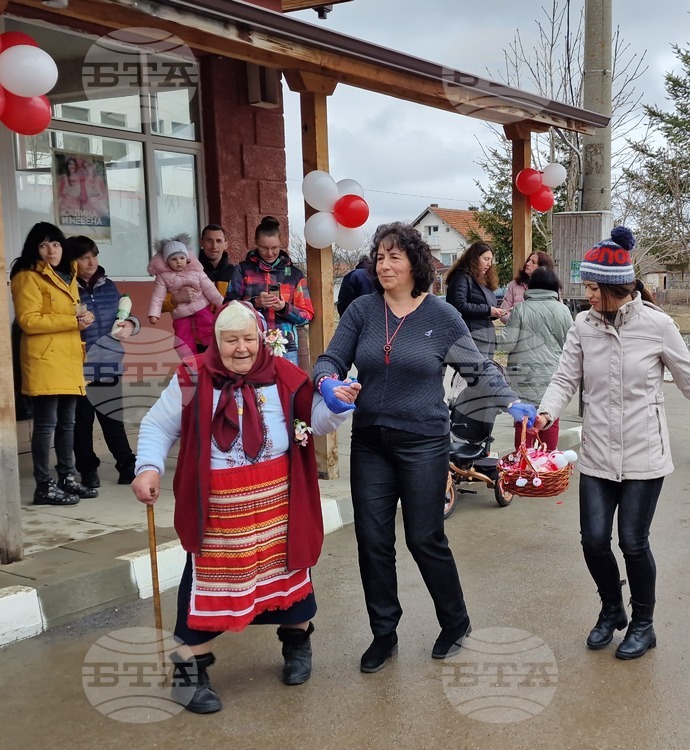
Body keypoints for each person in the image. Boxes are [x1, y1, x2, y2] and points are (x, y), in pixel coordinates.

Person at [314, 222, 536, 674]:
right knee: (373, 541)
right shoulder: (361, 311)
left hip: (423, 443)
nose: (384, 264)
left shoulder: (442, 316)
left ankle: (455, 624)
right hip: (372, 441)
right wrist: (328, 382)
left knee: (424, 538)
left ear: (414, 263)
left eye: (394, 257)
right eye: (380, 257)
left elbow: (478, 368)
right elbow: (330, 358)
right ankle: (384, 633)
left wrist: (511, 400)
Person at [131, 301, 360, 714]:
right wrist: (147, 468)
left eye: (248, 339)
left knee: (290, 575)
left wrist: (338, 405)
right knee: (204, 589)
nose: (240, 348)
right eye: (230, 339)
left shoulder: (286, 377)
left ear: (261, 338)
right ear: (216, 342)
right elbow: (157, 424)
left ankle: (297, 649)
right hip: (217, 508)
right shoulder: (192, 376)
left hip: (278, 503)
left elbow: (318, 420)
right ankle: (188, 675)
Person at [533, 226, 690, 660]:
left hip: (644, 454)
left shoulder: (657, 325)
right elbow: (564, 377)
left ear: (614, 287)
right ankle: (612, 610)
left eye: (592, 287)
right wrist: (546, 411)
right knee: (593, 540)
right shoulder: (582, 326)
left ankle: (644, 624)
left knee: (632, 541)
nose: (586, 295)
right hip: (596, 454)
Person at [10, 222, 98, 505]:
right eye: (44, 245)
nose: (51, 250)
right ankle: (44, 485)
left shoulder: (66, 275)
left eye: (56, 244)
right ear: (34, 249)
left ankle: (66, 479)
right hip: (44, 359)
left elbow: (67, 314)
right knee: (47, 424)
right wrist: (71, 321)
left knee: (67, 424)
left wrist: (83, 318)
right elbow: (29, 320)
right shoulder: (27, 276)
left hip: (69, 357)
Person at [65, 236, 140, 488]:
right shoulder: (66, 287)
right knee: (82, 422)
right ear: (72, 260)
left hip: (109, 362)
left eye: (94, 256)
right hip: (79, 366)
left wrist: (131, 324)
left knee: (112, 419)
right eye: (84, 257)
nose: (91, 262)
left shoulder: (108, 286)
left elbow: (127, 314)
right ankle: (87, 469)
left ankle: (126, 465)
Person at [498, 267, 572, 450]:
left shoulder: (521, 310)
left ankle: (522, 470)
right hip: (552, 377)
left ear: (531, 286)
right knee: (550, 420)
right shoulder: (563, 311)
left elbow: (507, 344)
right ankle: (548, 468)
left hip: (523, 377)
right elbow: (570, 346)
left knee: (523, 422)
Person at [226, 216, 314, 366]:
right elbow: (227, 308)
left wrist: (284, 308)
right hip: (250, 344)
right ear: (256, 243)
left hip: (285, 347)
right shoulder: (243, 270)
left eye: (274, 248)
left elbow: (307, 316)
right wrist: (254, 303)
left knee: (287, 388)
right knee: (254, 389)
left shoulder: (294, 274)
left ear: (281, 243)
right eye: (264, 248)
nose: (270, 253)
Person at [147, 235, 224, 357]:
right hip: (180, 312)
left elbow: (210, 290)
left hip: (201, 306)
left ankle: (212, 351)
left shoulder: (196, 271)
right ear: (166, 262)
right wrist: (154, 313)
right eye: (174, 259)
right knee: (182, 338)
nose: (179, 262)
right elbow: (157, 297)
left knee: (209, 326)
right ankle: (189, 360)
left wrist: (223, 304)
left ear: (187, 259)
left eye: (182, 258)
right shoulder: (162, 277)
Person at [161, 224, 234, 322]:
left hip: (227, 330)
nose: (214, 246)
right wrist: (175, 298)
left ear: (226, 244)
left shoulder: (235, 272)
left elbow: (244, 303)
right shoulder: (186, 270)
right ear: (201, 242)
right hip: (194, 332)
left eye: (218, 241)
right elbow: (159, 304)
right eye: (209, 240)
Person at [444, 241, 504, 358]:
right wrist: (488, 310)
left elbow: (484, 307)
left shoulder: (481, 280)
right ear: (474, 258)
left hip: (485, 336)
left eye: (491, 260)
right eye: (486, 259)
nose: (489, 264)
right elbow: (458, 305)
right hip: (472, 336)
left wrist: (496, 312)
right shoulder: (461, 277)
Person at [498, 251, 556, 322]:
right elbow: (503, 312)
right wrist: (518, 322)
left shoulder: (552, 287)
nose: (527, 264)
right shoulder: (514, 285)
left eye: (533, 262)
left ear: (542, 268)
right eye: (528, 260)